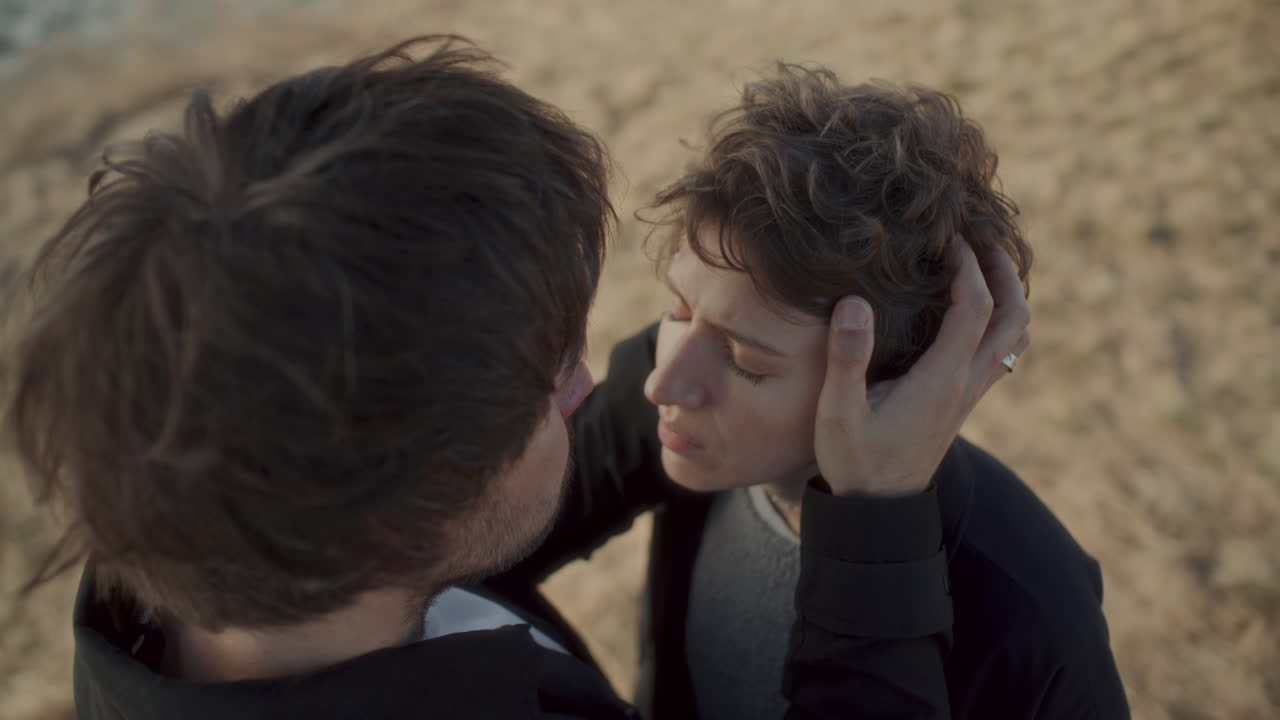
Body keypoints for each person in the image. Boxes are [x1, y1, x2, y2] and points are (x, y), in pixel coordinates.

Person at [3, 37, 1023, 720]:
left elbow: (509, 484)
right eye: (546, 383)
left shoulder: (185, 563)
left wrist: (717, 319)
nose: (592, 390)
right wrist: (876, 521)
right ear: (403, 505)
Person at [569, 65, 1123, 718]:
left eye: (747, 360)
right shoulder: (684, 412)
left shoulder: (1027, 614)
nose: (665, 381)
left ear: (885, 386)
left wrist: (872, 527)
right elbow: (471, 527)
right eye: (680, 309)